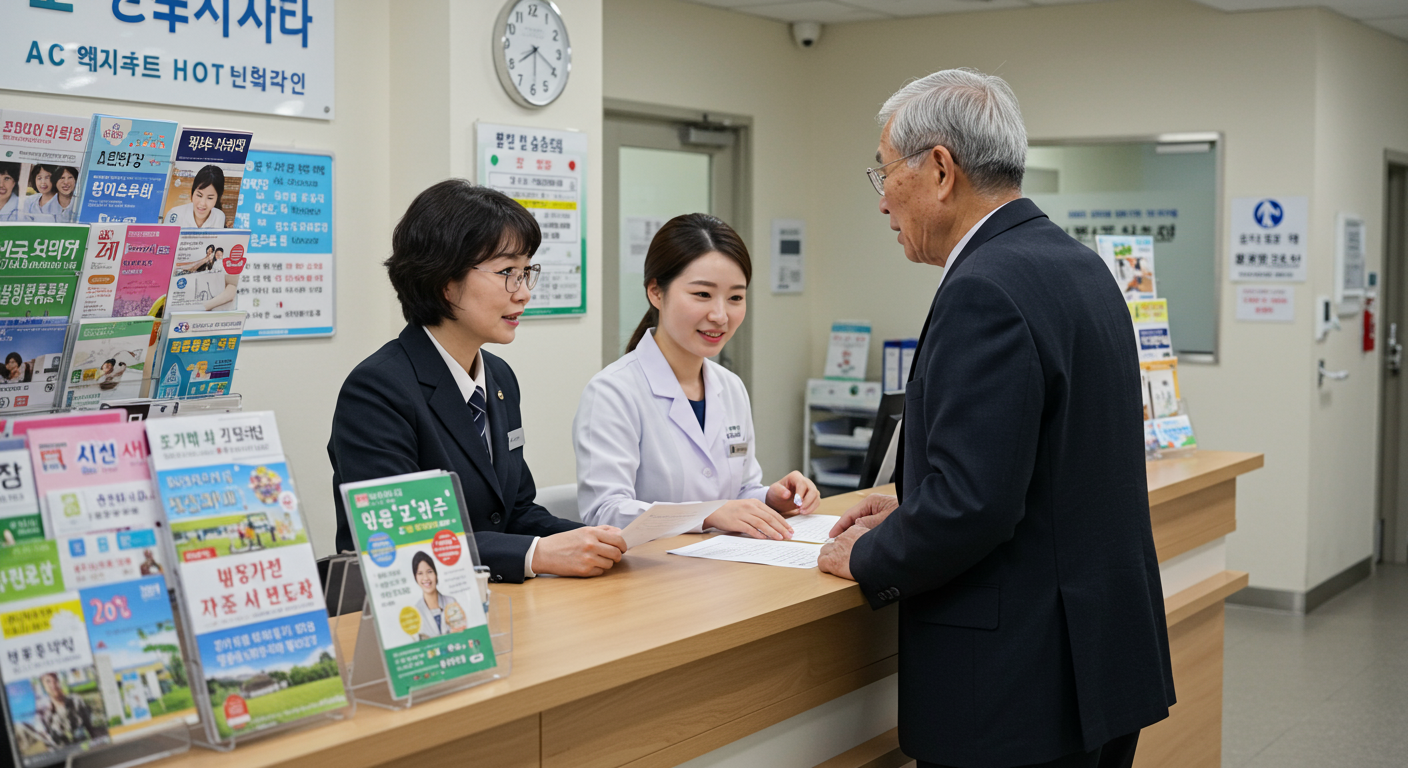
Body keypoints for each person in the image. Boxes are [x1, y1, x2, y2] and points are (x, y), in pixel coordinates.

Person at [817, 69, 1174, 768]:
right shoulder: (1079, 267)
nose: (882, 199)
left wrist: (863, 556)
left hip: (1019, 686)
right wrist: (912, 503)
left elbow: (972, 505)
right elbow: (1047, 464)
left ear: (940, 170)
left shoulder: (983, 288)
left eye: (885, 172)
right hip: (1099, 660)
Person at [329, 180, 627, 583]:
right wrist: (537, 554)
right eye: (507, 272)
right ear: (444, 282)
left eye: (525, 273)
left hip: (497, 598)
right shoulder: (377, 389)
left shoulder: (499, 376)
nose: (523, 294)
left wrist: (598, 540)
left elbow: (515, 511)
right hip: (412, 604)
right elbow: (402, 540)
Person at [574, 214, 820, 537]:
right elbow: (605, 513)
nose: (720, 315)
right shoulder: (613, 392)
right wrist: (707, 515)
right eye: (703, 294)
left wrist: (770, 499)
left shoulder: (730, 387)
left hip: (723, 562)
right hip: (648, 567)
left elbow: (741, 490)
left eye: (735, 297)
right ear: (656, 292)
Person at [36, 672, 107, 746]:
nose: (53, 684)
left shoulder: (76, 701)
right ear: (44, 686)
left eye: (55, 680)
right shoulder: (47, 716)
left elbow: (92, 726)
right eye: (48, 681)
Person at [410, 551, 465, 639]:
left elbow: (462, 631)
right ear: (415, 577)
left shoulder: (451, 602)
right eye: (420, 573)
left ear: (436, 574)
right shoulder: (415, 612)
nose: (426, 578)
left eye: (429, 572)